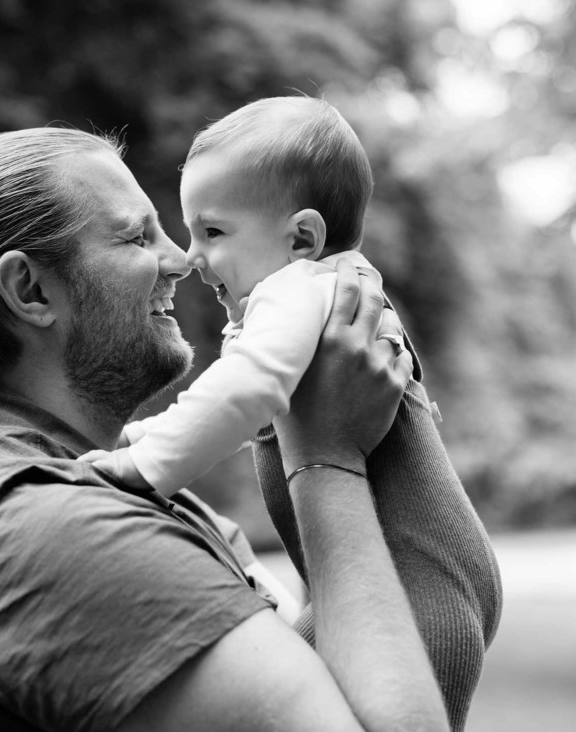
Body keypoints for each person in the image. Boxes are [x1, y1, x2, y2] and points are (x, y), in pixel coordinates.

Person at [0, 127, 458, 732]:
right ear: (30, 289)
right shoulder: (47, 531)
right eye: (137, 237)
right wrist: (327, 457)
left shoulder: (148, 500)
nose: (182, 260)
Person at [84, 97, 502, 730]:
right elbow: (232, 407)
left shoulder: (298, 290)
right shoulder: (328, 292)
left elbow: (243, 391)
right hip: (423, 573)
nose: (192, 257)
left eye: (213, 232)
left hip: (416, 587)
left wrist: (141, 466)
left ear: (301, 238)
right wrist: (141, 437)